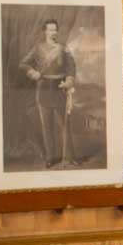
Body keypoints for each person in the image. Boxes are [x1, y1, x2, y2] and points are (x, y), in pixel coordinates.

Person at [20, 19, 76, 167]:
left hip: (59, 88)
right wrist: (33, 72)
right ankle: (50, 158)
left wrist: (69, 81)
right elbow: (23, 63)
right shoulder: (37, 48)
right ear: (45, 31)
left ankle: (70, 157)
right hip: (43, 88)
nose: (53, 32)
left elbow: (71, 66)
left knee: (65, 125)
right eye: (50, 30)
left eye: (55, 30)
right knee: (47, 127)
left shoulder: (63, 48)